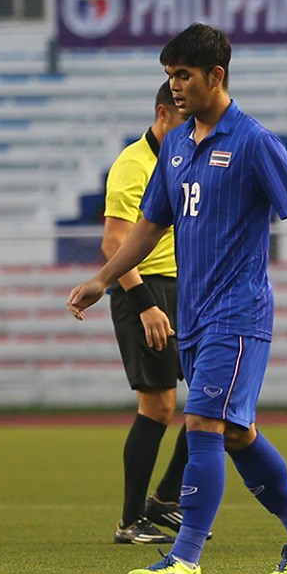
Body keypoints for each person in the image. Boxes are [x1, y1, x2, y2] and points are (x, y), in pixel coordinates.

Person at [67, 23, 287, 574]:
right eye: (168, 76)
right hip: (195, 312)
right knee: (235, 432)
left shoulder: (255, 142)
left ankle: (184, 559)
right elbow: (148, 227)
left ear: (216, 75)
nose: (175, 86)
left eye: (183, 75)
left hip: (240, 310)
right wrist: (102, 278)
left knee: (202, 421)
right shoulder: (179, 144)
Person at [103, 81, 190, 545]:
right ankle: (130, 519)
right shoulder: (133, 164)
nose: (190, 127)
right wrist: (145, 304)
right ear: (162, 113)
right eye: (182, 118)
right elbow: (114, 243)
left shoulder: (183, 158)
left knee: (218, 400)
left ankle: (166, 499)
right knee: (158, 404)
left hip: (188, 288)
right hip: (146, 289)